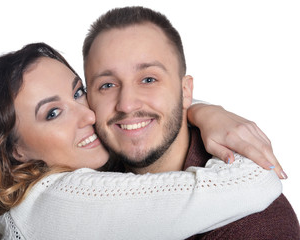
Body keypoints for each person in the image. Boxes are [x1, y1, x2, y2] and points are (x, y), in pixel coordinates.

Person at [0, 43, 282, 240]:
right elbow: (254, 183)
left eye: (78, 92)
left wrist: (203, 110)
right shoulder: (57, 203)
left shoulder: (28, 207)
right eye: (53, 113)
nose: (89, 116)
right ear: (14, 150)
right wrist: (203, 111)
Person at [82, 6, 299, 238]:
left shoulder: (254, 222)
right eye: (107, 85)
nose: (126, 105)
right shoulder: (79, 174)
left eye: (148, 79)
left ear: (185, 91)